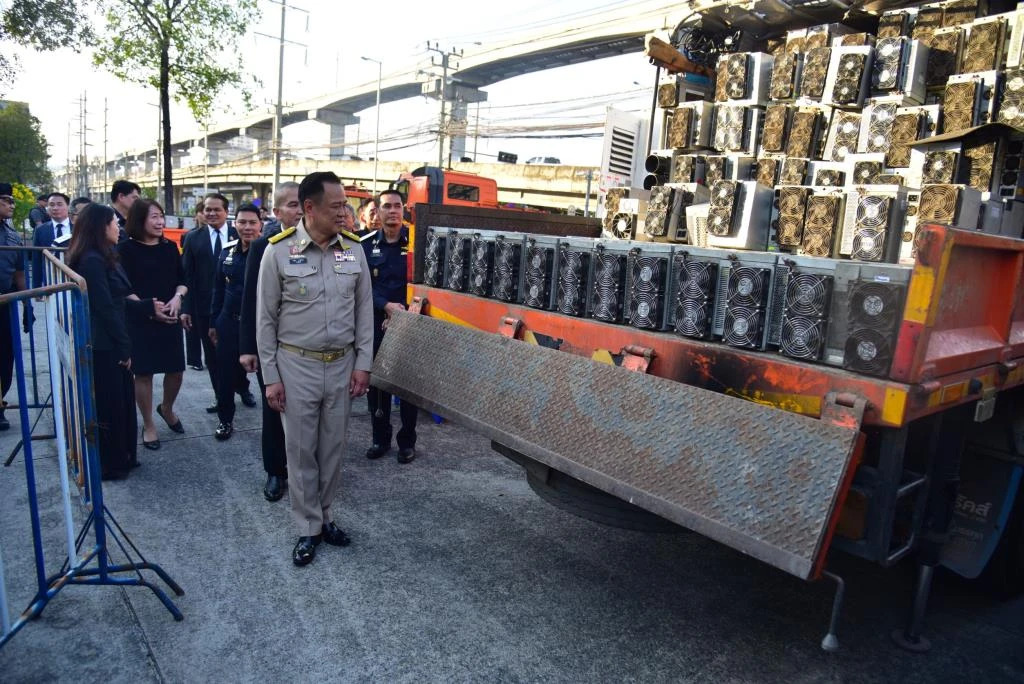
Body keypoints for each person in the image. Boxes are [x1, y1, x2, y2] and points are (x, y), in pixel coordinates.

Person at [256, 171, 372, 566]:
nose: (344, 212)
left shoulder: (353, 251)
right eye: (336, 206)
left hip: (341, 365)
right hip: (296, 365)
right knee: (301, 450)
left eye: (345, 205)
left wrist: (363, 364)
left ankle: (325, 516)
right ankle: (308, 528)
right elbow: (265, 321)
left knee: (333, 449)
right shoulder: (278, 252)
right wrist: (271, 377)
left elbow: (364, 314)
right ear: (310, 208)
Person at [65, 203, 167, 480]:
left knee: (122, 402)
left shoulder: (104, 255)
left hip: (112, 338)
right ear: (101, 226)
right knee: (111, 405)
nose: (118, 227)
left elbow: (118, 298)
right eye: (114, 222)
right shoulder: (91, 260)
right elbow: (105, 307)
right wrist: (124, 346)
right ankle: (112, 464)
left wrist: (146, 306)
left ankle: (124, 456)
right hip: (105, 344)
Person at [239, 182, 299, 501]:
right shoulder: (265, 246)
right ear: (277, 212)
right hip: (272, 346)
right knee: (274, 409)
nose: (299, 210)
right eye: (292, 205)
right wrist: (248, 347)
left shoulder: (325, 245)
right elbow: (251, 299)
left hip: (308, 349)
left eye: (303, 203)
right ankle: (275, 470)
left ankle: (304, 471)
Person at [118, 199, 188, 451]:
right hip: (140, 319)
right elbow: (123, 287)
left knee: (176, 370)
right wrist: (149, 309)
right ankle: (148, 424)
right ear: (139, 220)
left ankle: (166, 408)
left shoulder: (169, 247)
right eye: (154, 217)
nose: (160, 222)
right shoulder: (124, 250)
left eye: (161, 216)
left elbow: (183, 280)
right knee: (144, 373)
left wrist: (178, 298)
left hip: (169, 316)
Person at [181, 194, 254, 413]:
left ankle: (243, 388)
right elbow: (187, 275)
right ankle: (220, 396)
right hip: (206, 309)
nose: (211, 213)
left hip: (236, 308)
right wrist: (186, 308)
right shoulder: (192, 238)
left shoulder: (240, 232)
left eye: (216, 210)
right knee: (213, 358)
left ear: (226, 212)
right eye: (207, 210)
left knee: (240, 353)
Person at [363, 189, 419, 464]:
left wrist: (403, 313)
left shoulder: (417, 243)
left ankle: (407, 442)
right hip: (377, 322)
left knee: (408, 388)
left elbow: (423, 284)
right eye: (387, 206)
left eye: (397, 206)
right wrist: (384, 305)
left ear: (403, 209)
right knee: (378, 387)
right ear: (378, 211)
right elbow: (361, 285)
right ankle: (380, 438)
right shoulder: (365, 245)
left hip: (410, 323)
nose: (393, 211)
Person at [209, 202, 261, 441]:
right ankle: (225, 420)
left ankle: (274, 425)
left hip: (259, 325)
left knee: (266, 376)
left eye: (252, 222)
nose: (247, 227)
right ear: (235, 224)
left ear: (260, 225)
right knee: (225, 374)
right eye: (242, 222)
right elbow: (218, 289)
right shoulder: (227, 251)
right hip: (229, 323)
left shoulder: (268, 252)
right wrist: (214, 322)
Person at [0, 183, 27, 431]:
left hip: (4, 304)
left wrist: (27, 304)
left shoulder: (12, 235)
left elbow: (19, 272)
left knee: (5, 357)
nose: (12, 205)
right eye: (6, 200)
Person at [31, 192, 71, 286]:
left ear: (68, 206)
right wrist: (36, 286)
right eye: (51, 205)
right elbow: (37, 259)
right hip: (50, 281)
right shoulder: (40, 230)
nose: (55, 208)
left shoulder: (78, 228)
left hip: (74, 280)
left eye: (59, 204)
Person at [184, 203, 207, 369]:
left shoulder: (231, 235)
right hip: (195, 288)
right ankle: (195, 359)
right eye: (204, 211)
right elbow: (186, 268)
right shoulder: (190, 236)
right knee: (192, 326)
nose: (206, 215)